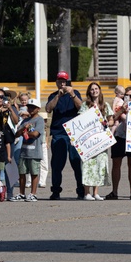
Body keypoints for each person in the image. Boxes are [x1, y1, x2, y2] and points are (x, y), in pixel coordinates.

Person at [45, 71, 84, 200]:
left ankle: (81, 190)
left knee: (76, 163)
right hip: (58, 133)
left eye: (64, 81)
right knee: (57, 164)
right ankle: (55, 191)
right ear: (56, 82)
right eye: (60, 81)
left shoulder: (75, 93)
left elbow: (81, 108)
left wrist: (72, 94)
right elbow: (48, 109)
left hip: (74, 134)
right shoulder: (53, 95)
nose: (62, 83)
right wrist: (58, 96)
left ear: (67, 82)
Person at [79, 82, 113, 200]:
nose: (94, 91)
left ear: (99, 90)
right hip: (88, 140)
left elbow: (111, 120)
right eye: (92, 89)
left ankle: (96, 193)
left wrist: (108, 123)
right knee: (88, 165)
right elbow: (80, 121)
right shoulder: (85, 105)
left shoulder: (105, 105)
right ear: (89, 92)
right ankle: (86, 193)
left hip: (101, 139)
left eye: (96, 89)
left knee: (99, 165)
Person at [108, 86, 131, 199]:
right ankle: (114, 191)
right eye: (126, 96)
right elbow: (112, 118)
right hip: (119, 136)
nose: (128, 98)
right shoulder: (118, 104)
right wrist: (122, 110)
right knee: (116, 164)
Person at [16, 98, 45, 201]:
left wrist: (25, 132)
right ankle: (22, 193)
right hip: (24, 152)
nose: (31, 109)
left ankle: (33, 193)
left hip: (35, 152)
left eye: (33, 107)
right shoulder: (25, 120)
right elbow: (17, 133)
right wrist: (23, 129)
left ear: (38, 109)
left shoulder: (39, 120)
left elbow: (35, 134)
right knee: (22, 173)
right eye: (29, 107)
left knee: (34, 173)